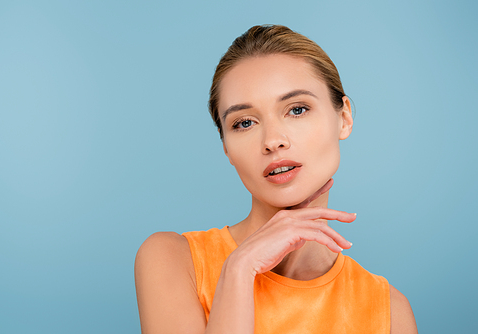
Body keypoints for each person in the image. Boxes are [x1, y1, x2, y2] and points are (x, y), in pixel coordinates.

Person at [135, 25, 417, 333]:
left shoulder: (388, 311)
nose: (273, 141)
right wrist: (240, 268)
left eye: (297, 109)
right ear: (226, 147)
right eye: (244, 123)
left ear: (344, 118)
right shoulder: (173, 260)